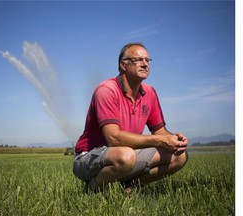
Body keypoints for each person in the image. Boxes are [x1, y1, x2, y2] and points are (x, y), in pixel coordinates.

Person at [73, 42, 188, 192]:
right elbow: (113, 139)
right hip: (88, 157)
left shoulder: (150, 92)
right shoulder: (106, 90)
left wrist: (175, 139)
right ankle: (92, 190)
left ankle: (130, 189)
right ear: (123, 65)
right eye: (138, 60)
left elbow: (160, 132)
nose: (145, 64)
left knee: (179, 156)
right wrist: (160, 140)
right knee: (126, 155)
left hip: (125, 154)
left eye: (147, 60)